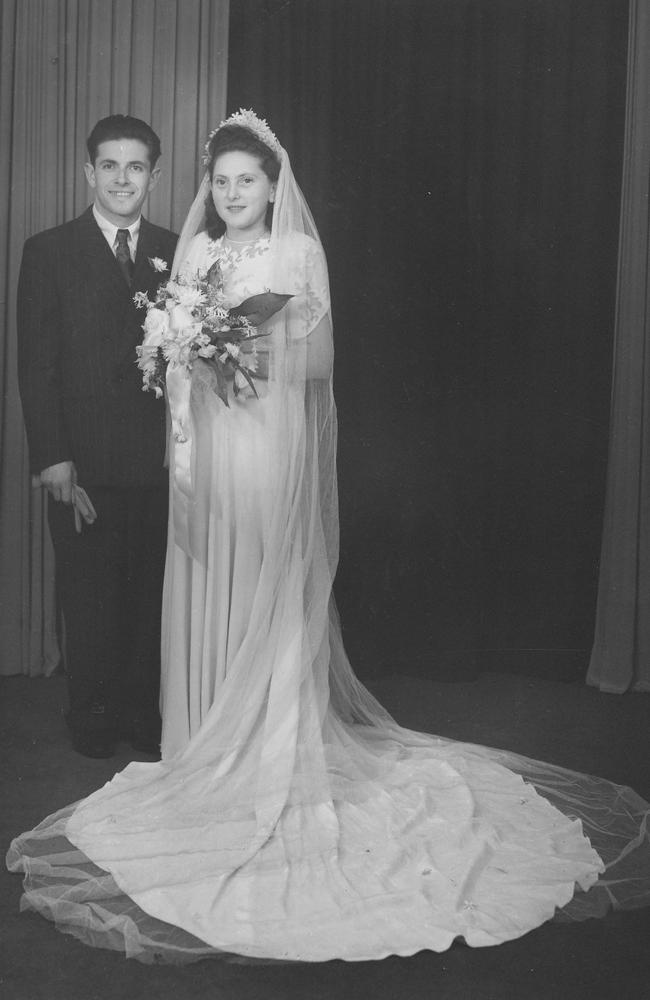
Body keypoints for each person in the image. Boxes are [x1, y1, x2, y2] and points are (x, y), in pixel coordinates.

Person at [7, 111, 650, 962]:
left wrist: (230, 347)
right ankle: (197, 734)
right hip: (205, 453)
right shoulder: (191, 253)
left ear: (274, 186)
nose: (233, 194)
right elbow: (139, 358)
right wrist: (186, 352)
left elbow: (312, 366)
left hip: (264, 446)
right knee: (195, 578)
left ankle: (264, 746)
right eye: (223, 181)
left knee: (259, 582)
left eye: (247, 181)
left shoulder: (294, 256)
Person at [16, 114, 178, 759]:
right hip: (80, 461)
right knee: (88, 596)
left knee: (148, 594)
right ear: (89, 172)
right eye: (108, 165)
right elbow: (37, 364)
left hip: (158, 461)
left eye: (135, 166)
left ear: (154, 176)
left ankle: (142, 717)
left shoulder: (178, 248)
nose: (121, 178)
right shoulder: (48, 249)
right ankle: (92, 718)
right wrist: (52, 456)